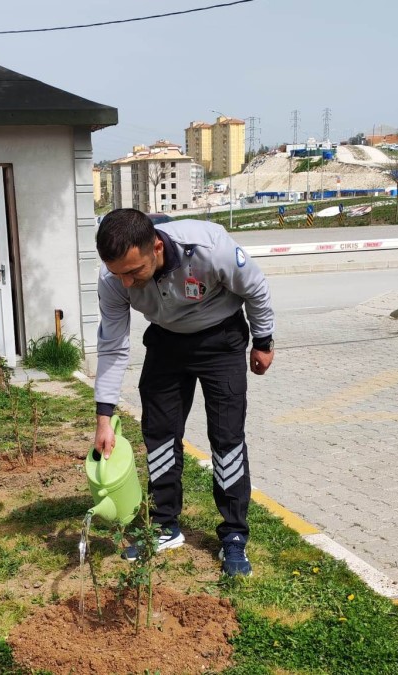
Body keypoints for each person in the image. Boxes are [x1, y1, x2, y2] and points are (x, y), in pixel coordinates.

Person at [93, 208, 275, 577]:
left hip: (220, 339)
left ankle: (234, 536)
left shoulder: (209, 249)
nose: (126, 283)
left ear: (156, 247)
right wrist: (104, 418)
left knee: (226, 439)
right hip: (166, 343)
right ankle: (165, 526)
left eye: (133, 272)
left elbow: (255, 288)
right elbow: (112, 346)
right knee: (159, 436)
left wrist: (263, 341)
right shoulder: (112, 279)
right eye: (118, 274)